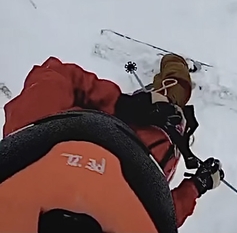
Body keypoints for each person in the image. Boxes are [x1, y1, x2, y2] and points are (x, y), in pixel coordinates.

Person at [0, 54, 224, 233]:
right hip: (146, 164)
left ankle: (170, 77)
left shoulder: (25, 144)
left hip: (117, 132)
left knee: (171, 97)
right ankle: (172, 77)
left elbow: (54, 76)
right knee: (173, 100)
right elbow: (166, 215)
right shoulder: (21, 150)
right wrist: (197, 185)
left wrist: (121, 104)